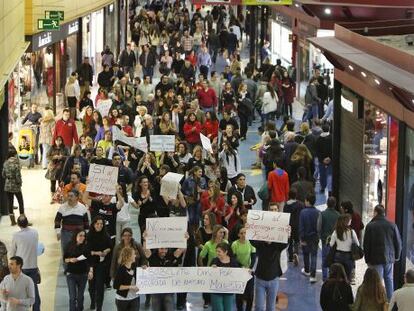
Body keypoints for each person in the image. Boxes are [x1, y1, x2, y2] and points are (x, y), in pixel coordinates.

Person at [363, 204, 402, 300]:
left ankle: (378, 301)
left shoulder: (370, 226)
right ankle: (390, 301)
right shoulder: (392, 225)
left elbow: (366, 244)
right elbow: (398, 243)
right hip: (389, 258)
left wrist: (367, 259)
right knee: (389, 279)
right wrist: (396, 256)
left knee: (377, 281)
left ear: (376, 212)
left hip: (375, 259)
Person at [9, 215, 40, 311]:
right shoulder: (35, 233)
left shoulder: (16, 235)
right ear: (27, 222)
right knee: (34, 292)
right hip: (33, 266)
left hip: (21, 268)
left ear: (18, 224)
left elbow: (12, 253)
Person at [250, 237, 288, 311]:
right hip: (260, 280)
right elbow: (252, 239)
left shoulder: (278, 245)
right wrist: (249, 229)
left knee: (271, 307)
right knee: (259, 307)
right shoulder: (260, 244)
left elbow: (285, 243)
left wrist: (287, 235)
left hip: (274, 280)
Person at [87, 216, 113, 311]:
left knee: (100, 286)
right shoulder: (89, 236)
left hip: (101, 264)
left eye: (101, 224)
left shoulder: (106, 235)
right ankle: (92, 301)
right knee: (91, 286)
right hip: (91, 264)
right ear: (94, 224)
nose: (99, 226)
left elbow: (110, 247)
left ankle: (99, 307)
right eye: (97, 224)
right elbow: (87, 251)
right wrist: (97, 253)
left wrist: (106, 251)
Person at [63, 230, 92, 311]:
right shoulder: (69, 245)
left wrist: (90, 271)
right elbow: (65, 259)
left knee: (80, 297)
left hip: (83, 274)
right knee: (72, 298)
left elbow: (90, 260)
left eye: (83, 236)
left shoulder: (86, 247)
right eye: (80, 235)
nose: (82, 238)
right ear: (76, 236)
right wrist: (70, 260)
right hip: (71, 274)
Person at [54, 189, 90, 256]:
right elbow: (57, 220)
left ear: (77, 197)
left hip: (79, 234)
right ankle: (66, 266)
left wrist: (86, 234)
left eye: (71, 196)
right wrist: (58, 232)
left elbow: (86, 222)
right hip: (66, 234)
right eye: (68, 196)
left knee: (79, 252)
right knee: (66, 252)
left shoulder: (82, 207)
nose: (69, 198)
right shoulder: (62, 207)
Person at [231, 227, 256, 311]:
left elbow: (253, 257)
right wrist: (241, 267)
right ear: (238, 234)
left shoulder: (251, 243)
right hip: (239, 271)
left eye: (245, 233)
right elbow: (233, 259)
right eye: (241, 233)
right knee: (239, 294)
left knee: (250, 294)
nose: (243, 235)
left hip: (249, 271)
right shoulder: (234, 244)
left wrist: (250, 267)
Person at [299, 193, 321, 283]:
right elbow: (319, 226)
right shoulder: (318, 212)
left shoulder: (303, 212)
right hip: (315, 237)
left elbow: (301, 226)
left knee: (306, 254)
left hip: (306, 237)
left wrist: (301, 238)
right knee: (314, 255)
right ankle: (313, 275)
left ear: (307, 201)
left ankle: (307, 270)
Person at [210, 243, 240, 311]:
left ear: (226, 252)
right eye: (216, 251)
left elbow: (238, 274)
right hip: (216, 291)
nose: (217, 253)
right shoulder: (214, 261)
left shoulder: (233, 261)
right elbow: (208, 275)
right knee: (218, 309)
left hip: (228, 291)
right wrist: (211, 269)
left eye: (219, 251)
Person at [329, 214, 359, 280]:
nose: (351, 221)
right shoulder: (352, 232)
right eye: (350, 220)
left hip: (338, 255)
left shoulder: (336, 231)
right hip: (348, 256)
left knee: (338, 275)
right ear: (347, 221)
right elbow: (358, 244)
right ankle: (346, 288)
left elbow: (331, 244)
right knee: (348, 276)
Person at [2, 148, 26, 226]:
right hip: (15, 186)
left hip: (7, 185)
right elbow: (18, 177)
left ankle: (12, 221)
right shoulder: (16, 164)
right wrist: (20, 183)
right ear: (14, 155)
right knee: (20, 202)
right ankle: (22, 220)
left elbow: (3, 175)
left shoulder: (5, 163)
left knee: (10, 203)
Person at [320, 196, 340, 281]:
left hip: (325, 240)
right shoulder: (338, 215)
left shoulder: (322, 214)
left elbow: (319, 226)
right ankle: (333, 276)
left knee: (325, 259)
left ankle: (325, 278)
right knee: (334, 259)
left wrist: (320, 236)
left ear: (327, 204)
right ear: (335, 204)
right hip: (335, 242)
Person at [284, 188, 304, 266]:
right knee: (296, 240)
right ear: (296, 195)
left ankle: (290, 257)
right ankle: (296, 253)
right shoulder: (301, 204)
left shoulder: (286, 205)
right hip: (298, 225)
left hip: (289, 225)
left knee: (289, 241)